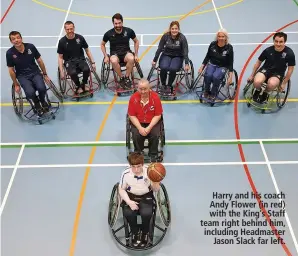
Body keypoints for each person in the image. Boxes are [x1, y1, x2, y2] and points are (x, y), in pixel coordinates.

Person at [119, 152, 160, 247]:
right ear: (130, 166)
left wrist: (155, 182)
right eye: (133, 166)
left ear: (142, 164)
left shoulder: (150, 171)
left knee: (146, 213)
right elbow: (121, 189)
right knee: (128, 213)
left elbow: (156, 190)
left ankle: (145, 232)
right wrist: (129, 202)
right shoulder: (125, 173)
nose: (136, 170)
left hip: (146, 195)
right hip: (131, 196)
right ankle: (135, 232)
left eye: (138, 166)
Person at [6, 31, 51, 114]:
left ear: (21, 38)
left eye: (18, 38)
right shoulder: (9, 53)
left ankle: (43, 101)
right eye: (13, 39)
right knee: (30, 93)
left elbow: (39, 61)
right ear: (11, 41)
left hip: (35, 72)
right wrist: (16, 84)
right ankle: (36, 103)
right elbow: (11, 70)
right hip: (22, 76)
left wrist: (45, 74)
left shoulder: (30, 46)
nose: (16, 40)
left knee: (42, 88)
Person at [247, 32, 295, 102]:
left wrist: (284, 83)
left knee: (271, 84)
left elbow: (290, 69)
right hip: (265, 70)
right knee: (257, 82)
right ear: (273, 41)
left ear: (285, 42)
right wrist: (252, 75)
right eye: (276, 41)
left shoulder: (289, 53)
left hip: (278, 73)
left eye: (281, 42)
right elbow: (258, 62)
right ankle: (257, 90)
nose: (278, 44)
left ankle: (266, 92)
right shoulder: (268, 50)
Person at [128, 79, 163, 162]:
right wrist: (140, 128)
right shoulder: (133, 98)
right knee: (136, 134)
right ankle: (138, 152)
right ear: (137, 88)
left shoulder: (155, 98)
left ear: (149, 88)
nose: (143, 91)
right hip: (138, 121)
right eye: (140, 89)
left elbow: (158, 115)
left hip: (152, 121)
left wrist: (149, 128)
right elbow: (132, 115)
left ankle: (153, 154)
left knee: (155, 134)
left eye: (145, 89)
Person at [101, 13, 139, 88]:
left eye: (119, 23)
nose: (118, 25)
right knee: (114, 61)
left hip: (126, 53)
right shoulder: (108, 34)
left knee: (131, 58)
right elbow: (102, 44)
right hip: (115, 54)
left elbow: (136, 41)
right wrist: (105, 56)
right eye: (116, 23)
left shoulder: (129, 31)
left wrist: (136, 55)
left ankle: (127, 78)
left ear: (122, 22)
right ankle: (121, 78)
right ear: (113, 23)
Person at [57, 21, 97, 94]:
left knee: (86, 69)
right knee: (72, 72)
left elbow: (87, 50)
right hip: (69, 61)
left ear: (74, 28)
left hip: (80, 59)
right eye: (68, 29)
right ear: (65, 30)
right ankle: (78, 85)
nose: (70, 31)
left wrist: (93, 62)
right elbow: (60, 57)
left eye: (71, 29)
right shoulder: (62, 41)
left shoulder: (80, 38)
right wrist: (61, 71)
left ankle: (84, 84)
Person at [152, 21, 190, 94]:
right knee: (164, 67)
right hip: (166, 55)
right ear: (170, 29)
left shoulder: (182, 38)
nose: (174, 30)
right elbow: (159, 48)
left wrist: (186, 63)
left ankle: (169, 85)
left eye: (176, 29)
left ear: (178, 29)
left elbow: (185, 51)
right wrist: (155, 60)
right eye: (173, 28)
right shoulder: (165, 36)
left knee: (173, 68)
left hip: (178, 56)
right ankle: (163, 85)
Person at [198, 28, 234, 100]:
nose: (221, 38)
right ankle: (206, 91)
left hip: (223, 66)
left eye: (223, 36)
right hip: (212, 64)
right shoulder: (212, 44)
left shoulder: (229, 48)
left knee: (216, 77)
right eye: (219, 36)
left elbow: (230, 63)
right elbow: (207, 56)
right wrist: (201, 66)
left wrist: (230, 77)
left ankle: (213, 93)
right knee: (208, 75)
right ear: (217, 37)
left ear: (226, 38)